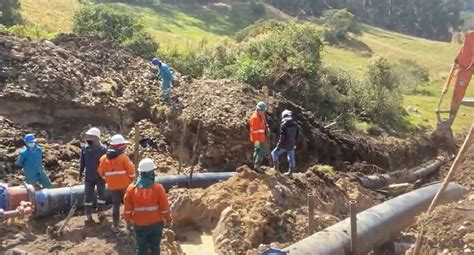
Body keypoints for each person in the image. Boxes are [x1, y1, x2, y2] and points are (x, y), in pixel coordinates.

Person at [123, 158, 173, 255]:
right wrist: (169, 219)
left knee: (141, 248)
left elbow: (127, 209)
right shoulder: (158, 188)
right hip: (156, 224)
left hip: (139, 224)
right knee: (155, 248)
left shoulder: (131, 189)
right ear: (151, 173)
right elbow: (164, 208)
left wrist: (128, 220)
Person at [98, 134, 135, 232]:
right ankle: (129, 223)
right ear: (120, 146)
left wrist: (109, 180)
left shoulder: (103, 159)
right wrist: (132, 181)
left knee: (116, 205)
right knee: (129, 203)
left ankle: (115, 226)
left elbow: (101, 173)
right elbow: (131, 171)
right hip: (125, 184)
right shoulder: (123, 157)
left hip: (112, 186)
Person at [79, 127, 107, 223]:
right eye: (88, 136)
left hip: (100, 177)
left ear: (97, 138)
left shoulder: (103, 150)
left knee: (101, 195)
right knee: (88, 196)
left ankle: (100, 212)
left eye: (91, 137)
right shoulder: (84, 149)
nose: (88, 139)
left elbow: (107, 164)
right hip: (89, 177)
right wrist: (80, 173)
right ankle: (88, 214)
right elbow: (82, 162)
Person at [271, 110, 299, 177]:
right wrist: (295, 143)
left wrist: (278, 146)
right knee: (291, 158)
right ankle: (291, 173)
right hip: (292, 144)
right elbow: (297, 135)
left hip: (284, 145)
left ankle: (276, 171)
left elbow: (282, 138)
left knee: (274, 153)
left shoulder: (284, 125)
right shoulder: (295, 125)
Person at [248, 102, 269, 172]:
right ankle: (257, 166)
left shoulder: (262, 115)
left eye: (263, 111)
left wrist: (267, 129)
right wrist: (259, 140)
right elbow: (254, 131)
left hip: (261, 137)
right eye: (262, 111)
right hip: (257, 139)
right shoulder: (255, 118)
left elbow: (264, 123)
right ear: (258, 110)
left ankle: (256, 165)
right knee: (260, 151)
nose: (263, 112)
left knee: (257, 151)